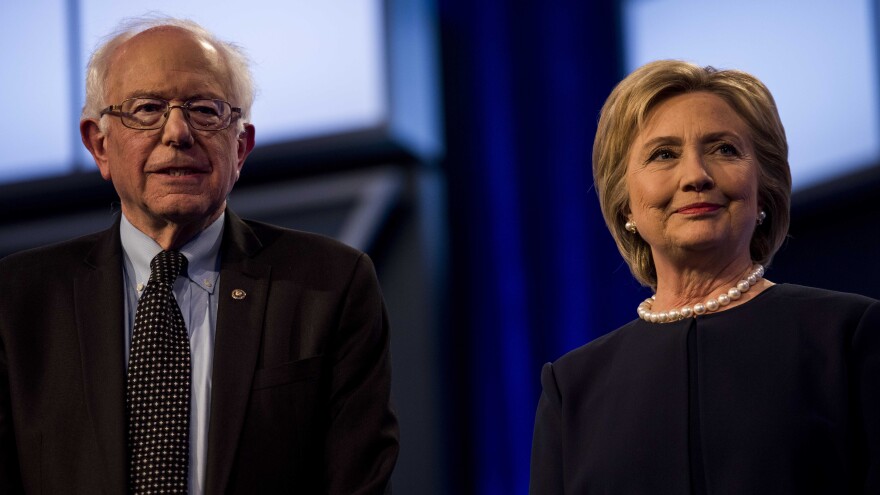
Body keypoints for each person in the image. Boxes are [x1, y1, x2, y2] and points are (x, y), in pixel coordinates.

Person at [0, 16, 398, 494]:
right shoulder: (17, 301)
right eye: (147, 109)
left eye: (205, 110)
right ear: (99, 145)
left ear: (241, 147)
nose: (177, 132)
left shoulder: (329, 285)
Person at [529, 60, 879, 493]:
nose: (696, 176)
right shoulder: (572, 389)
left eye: (724, 149)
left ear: (764, 189)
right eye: (663, 154)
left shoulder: (850, 337)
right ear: (625, 204)